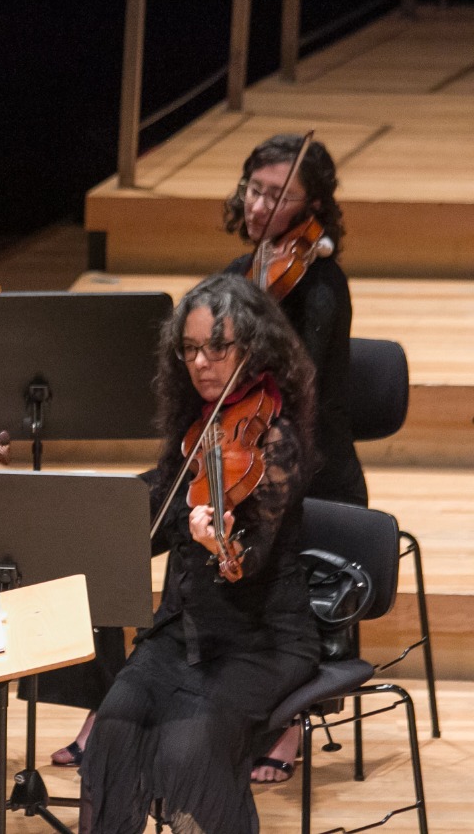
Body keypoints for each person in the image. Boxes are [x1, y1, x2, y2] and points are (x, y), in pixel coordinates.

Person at [78, 273, 321, 834]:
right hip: (181, 631)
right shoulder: (196, 431)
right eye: (189, 349)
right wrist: (92, 508)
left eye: (217, 346)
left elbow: (251, 555)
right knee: (114, 725)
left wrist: (223, 546)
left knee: (188, 746)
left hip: (260, 638)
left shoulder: (275, 439)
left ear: (253, 348)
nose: (201, 362)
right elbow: (157, 522)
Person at [223, 133, 367, 783]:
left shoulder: (321, 283)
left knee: (271, 537)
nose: (260, 205)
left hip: (316, 468)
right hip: (247, 459)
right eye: (255, 188)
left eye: (279, 196)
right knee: (145, 517)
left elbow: (301, 383)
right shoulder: (238, 273)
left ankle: (291, 717)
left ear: (312, 205)